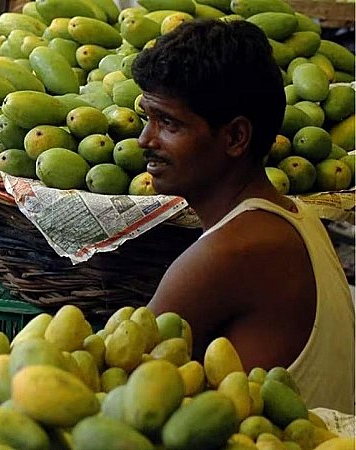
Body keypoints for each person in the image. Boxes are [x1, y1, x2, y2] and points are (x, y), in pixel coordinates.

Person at [133, 19, 354, 413]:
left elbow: (122, 373)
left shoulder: (231, 252)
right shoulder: (292, 216)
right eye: (147, 117)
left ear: (235, 137)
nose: (145, 140)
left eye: (168, 123)